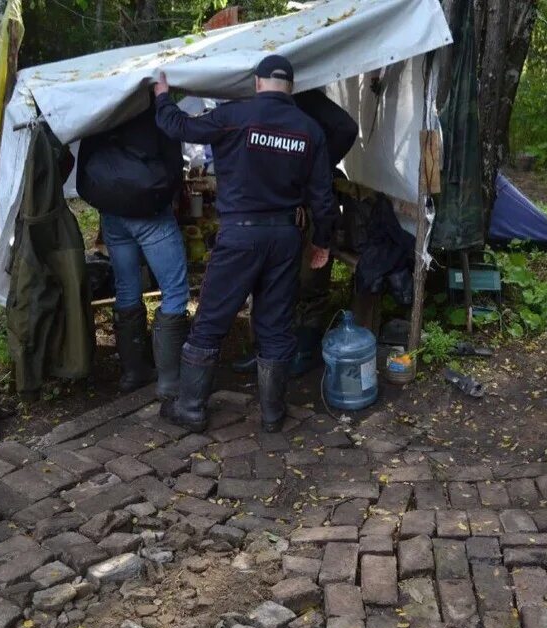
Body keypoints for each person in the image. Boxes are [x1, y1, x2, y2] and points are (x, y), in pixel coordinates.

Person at [154, 55, 336, 434]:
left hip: (240, 235)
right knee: (275, 323)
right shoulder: (310, 129)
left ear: (256, 83)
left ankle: (190, 406)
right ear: (291, 87)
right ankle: (272, 414)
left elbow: (177, 127)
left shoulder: (234, 116)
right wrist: (322, 241)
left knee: (211, 320)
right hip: (285, 237)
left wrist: (162, 95)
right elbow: (323, 197)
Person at [232, 88, 359, 377]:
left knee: (309, 281)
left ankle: (303, 352)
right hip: (272, 207)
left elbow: (347, 128)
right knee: (268, 281)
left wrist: (316, 167)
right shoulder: (255, 102)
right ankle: (265, 350)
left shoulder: (303, 97)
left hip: (309, 206)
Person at [89, 107, 190, 400]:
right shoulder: (157, 112)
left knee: (126, 288)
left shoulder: (105, 109)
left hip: (112, 211)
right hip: (149, 212)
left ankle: (134, 372)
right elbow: (173, 165)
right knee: (174, 290)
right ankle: (170, 380)